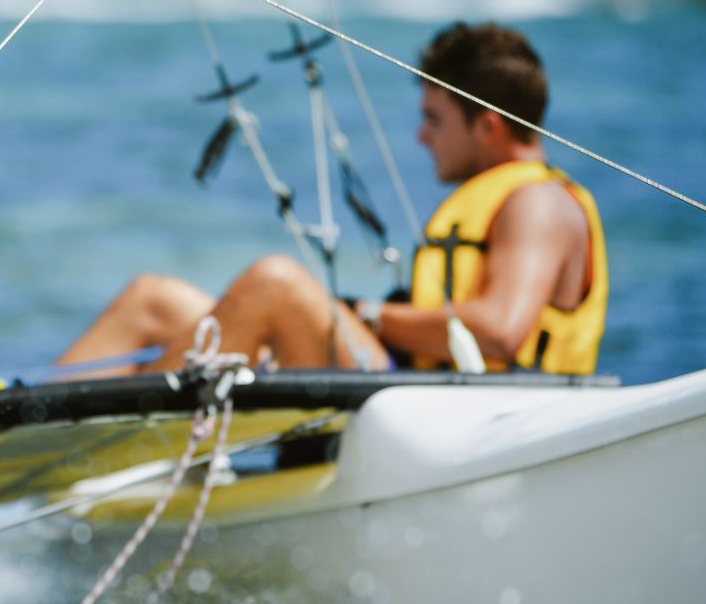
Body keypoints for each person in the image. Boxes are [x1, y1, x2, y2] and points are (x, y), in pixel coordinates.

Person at [55, 22, 608, 376]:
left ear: (488, 127)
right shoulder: (498, 197)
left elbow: (498, 332)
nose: (422, 136)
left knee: (276, 283)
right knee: (154, 299)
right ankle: (26, 424)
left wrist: (367, 314)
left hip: (444, 410)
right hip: (404, 378)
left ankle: (115, 442)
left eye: (433, 120)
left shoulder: (538, 203)